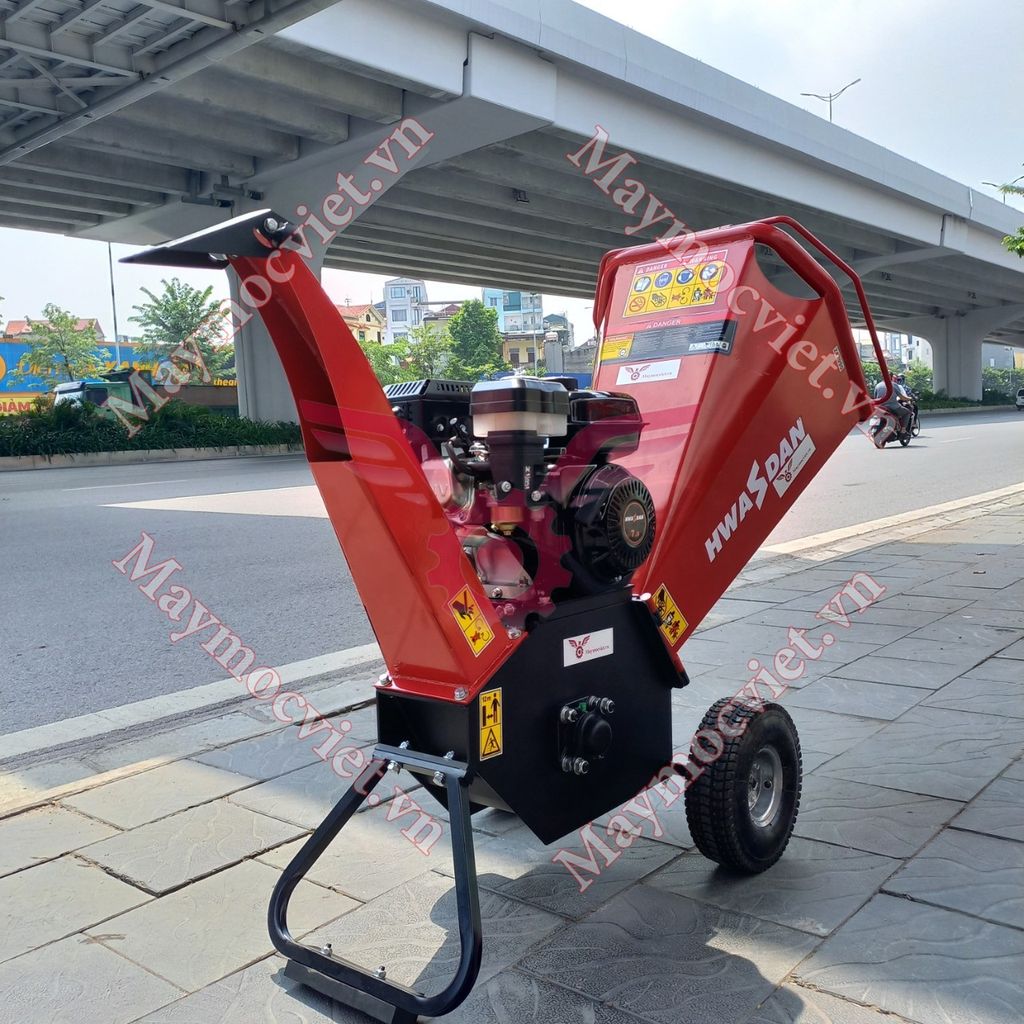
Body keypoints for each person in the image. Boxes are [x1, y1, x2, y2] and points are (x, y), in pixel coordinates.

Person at [873, 375, 912, 445]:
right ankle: (903, 430)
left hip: (880, 408)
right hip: (893, 407)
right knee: (907, 412)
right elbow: (902, 397)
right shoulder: (894, 385)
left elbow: (875, 397)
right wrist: (910, 398)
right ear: (891, 377)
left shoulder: (877, 386)